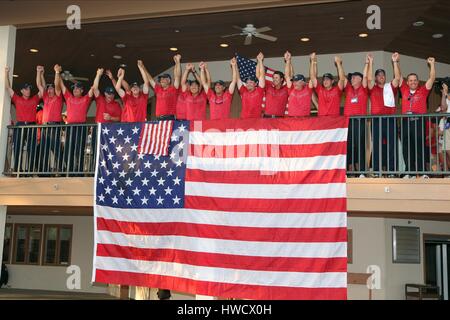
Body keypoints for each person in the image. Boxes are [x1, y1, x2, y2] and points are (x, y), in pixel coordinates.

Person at [397, 57, 436, 178]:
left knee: (420, 147)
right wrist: (395, 62)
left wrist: (432, 64)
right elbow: (398, 76)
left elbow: (432, 78)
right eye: (410, 80)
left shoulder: (423, 91)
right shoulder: (403, 90)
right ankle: (410, 171)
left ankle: (423, 172)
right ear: (407, 82)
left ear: (418, 82)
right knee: (407, 148)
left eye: (415, 80)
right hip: (405, 122)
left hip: (419, 122)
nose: (413, 82)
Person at [54, 64, 94, 175]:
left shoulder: (86, 99)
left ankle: (79, 171)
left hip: (81, 127)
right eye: (74, 88)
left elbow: (93, 88)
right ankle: (70, 170)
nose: (75, 90)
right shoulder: (69, 97)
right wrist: (57, 72)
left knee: (79, 150)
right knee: (68, 150)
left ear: (81, 90)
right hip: (70, 127)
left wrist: (98, 75)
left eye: (77, 88)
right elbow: (60, 85)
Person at [367, 53, 401, 177]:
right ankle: (376, 170)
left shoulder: (390, 87)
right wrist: (370, 62)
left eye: (383, 75)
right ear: (376, 78)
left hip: (390, 119)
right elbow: (369, 80)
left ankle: (392, 171)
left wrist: (395, 62)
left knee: (392, 145)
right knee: (377, 145)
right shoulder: (373, 88)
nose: (381, 76)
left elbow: (397, 78)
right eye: (379, 75)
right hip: (376, 120)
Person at [5, 66, 40, 174]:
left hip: (31, 125)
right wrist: (6, 73)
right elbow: (7, 87)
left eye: (29, 88)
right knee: (17, 148)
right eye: (26, 89)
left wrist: (38, 73)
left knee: (32, 148)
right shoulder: (17, 98)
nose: (28, 90)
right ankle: (17, 169)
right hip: (20, 125)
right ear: (21, 90)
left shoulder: (34, 99)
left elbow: (41, 89)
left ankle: (29, 170)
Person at [340, 55, 370, 176]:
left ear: (360, 79)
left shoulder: (363, 89)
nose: (352, 79)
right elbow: (342, 77)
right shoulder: (348, 90)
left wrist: (367, 64)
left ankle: (361, 171)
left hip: (359, 121)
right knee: (348, 146)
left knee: (360, 146)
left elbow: (366, 77)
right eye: (351, 77)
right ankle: (348, 171)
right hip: (348, 122)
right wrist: (339, 64)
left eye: (354, 77)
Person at [36, 65, 64, 174]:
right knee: (44, 149)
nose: (49, 89)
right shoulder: (46, 97)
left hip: (54, 126)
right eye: (49, 88)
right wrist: (39, 72)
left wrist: (57, 73)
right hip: (45, 126)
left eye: (51, 88)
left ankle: (61, 169)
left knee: (56, 149)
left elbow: (57, 85)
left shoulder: (58, 96)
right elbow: (39, 85)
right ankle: (44, 170)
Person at [144, 54, 182, 121]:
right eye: (161, 79)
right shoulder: (158, 89)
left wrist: (178, 62)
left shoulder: (173, 89)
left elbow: (177, 76)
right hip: (159, 118)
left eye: (164, 78)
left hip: (170, 118)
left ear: (169, 80)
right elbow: (150, 79)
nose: (162, 80)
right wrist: (143, 67)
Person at [257, 52, 288, 118]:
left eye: (276, 78)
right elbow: (260, 75)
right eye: (273, 78)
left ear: (282, 79)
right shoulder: (268, 87)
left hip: (279, 118)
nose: (274, 79)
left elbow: (288, 75)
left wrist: (288, 61)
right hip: (267, 117)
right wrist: (260, 61)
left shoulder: (286, 89)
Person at [284, 51, 314, 117]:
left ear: (303, 82)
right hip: (292, 119)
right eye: (294, 81)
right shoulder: (291, 88)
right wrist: (288, 61)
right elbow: (287, 75)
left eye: (297, 81)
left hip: (305, 120)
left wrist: (312, 61)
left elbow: (312, 76)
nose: (294, 83)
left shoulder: (308, 89)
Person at [237, 52, 266, 119]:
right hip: (244, 120)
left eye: (251, 82)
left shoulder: (259, 91)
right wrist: (234, 66)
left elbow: (261, 75)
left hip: (256, 120)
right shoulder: (243, 91)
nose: (248, 84)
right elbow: (238, 79)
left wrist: (260, 61)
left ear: (255, 84)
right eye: (247, 82)